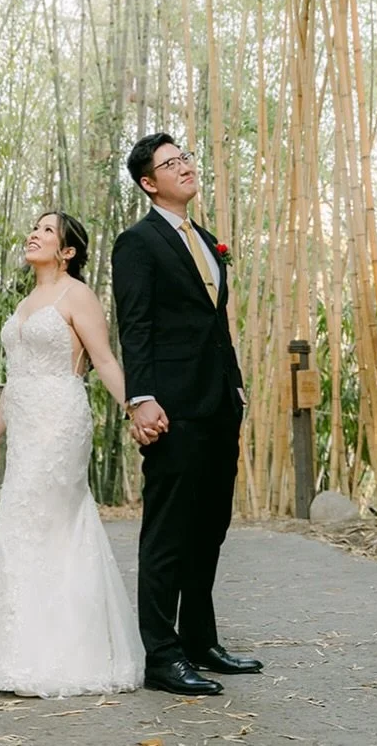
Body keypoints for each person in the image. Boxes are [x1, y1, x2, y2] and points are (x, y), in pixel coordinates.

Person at [0, 211, 143, 698]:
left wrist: (137, 409)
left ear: (67, 251)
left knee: (51, 522)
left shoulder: (76, 295)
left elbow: (104, 359)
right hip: (23, 424)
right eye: (34, 227)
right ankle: (15, 654)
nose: (34, 234)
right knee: (17, 524)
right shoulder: (26, 302)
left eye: (47, 230)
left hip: (60, 420)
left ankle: (67, 656)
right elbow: (15, 377)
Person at [112, 133, 263, 695]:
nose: (185, 167)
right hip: (171, 408)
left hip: (219, 403)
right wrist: (141, 397)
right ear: (149, 182)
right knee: (169, 533)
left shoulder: (207, 239)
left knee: (210, 528)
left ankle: (201, 640)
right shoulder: (138, 243)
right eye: (171, 163)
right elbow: (137, 325)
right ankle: (163, 655)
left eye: (186, 158)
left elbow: (215, 326)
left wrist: (237, 387)